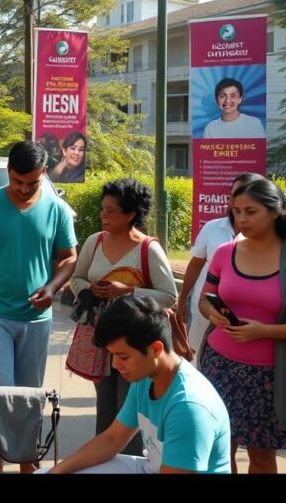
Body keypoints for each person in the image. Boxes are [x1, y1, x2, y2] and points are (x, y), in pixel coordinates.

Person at [0, 141, 77, 472]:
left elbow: (69, 257)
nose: (24, 189)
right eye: (17, 182)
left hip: (37, 318)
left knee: (29, 395)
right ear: (9, 173)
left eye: (32, 183)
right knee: (0, 393)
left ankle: (27, 461)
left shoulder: (55, 209)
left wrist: (52, 288)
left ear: (43, 174)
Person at [45, 295, 231, 474]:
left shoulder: (189, 408)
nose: (115, 365)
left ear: (156, 349)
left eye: (123, 356)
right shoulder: (146, 376)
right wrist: (57, 470)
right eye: (113, 355)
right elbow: (112, 439)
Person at [67, 179, 177, 456]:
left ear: (131, 215)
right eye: (102, 209)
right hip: (101, 338)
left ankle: (131, 462)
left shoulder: (148, 249)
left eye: (110, 211)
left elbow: (168, 296)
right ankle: (103, 463)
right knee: (105, 409)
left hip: (137, 340)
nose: (103, 215)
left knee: (130, 409)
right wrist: (88, 289)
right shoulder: (94, 241)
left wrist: (126, 290)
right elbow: (76, 278)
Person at [198, 178, 286, 474]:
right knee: (219, 450)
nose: (241, 219)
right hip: (219, 366)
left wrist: (263, 331)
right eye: (236, 211)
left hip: (269, 378)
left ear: (276, 211)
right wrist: (214, 314)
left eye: (251, 211)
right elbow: (204, 302)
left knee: (262, 456)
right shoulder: (226, 252)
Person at [176, 173, 264, 360]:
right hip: (204, 308)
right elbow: (195, 265)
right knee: (196, 356)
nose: (238, 204)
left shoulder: (269, 241)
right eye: (235, 195)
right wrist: (183, 299)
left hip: (244, 316)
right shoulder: (212, 228)